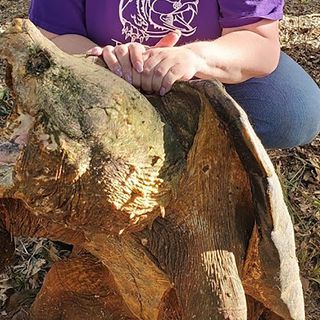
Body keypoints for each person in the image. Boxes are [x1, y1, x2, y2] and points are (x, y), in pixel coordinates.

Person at [28, 0, 320, 149]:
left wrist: (193, 57)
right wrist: (110, 63)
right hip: (104, 75)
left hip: (208, 73)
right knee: (42, 101)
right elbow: (53, 36)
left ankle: (214, 158)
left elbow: (258, 42)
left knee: (294, 110)